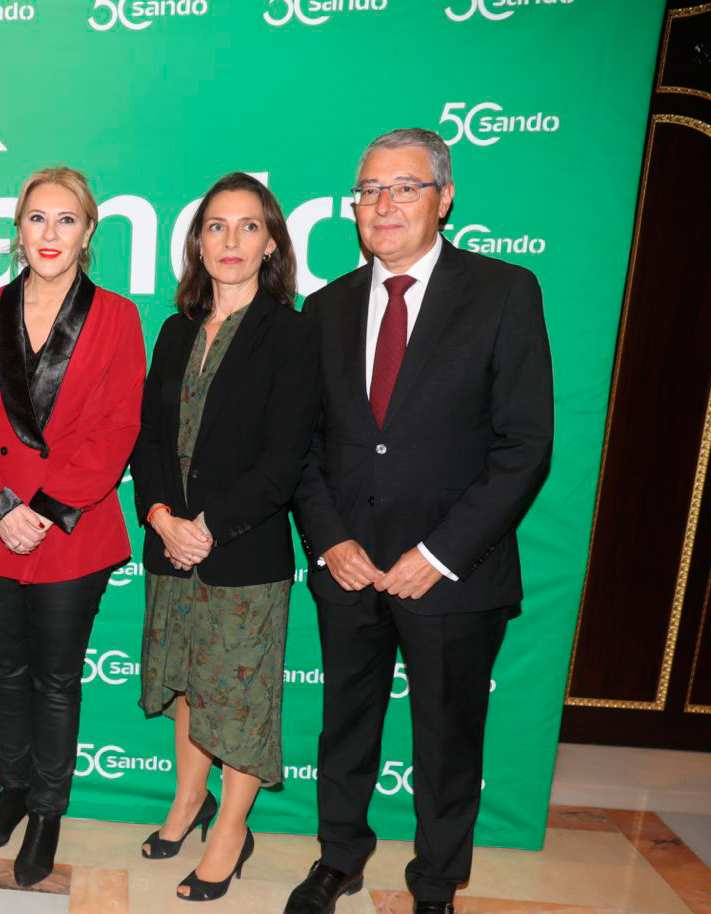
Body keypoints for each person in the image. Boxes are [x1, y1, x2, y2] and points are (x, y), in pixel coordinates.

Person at [286, 128, 553, 914]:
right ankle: (340, 857)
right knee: (345, 730)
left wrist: (437, 555)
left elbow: (525, 446)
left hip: (453, 576)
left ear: (445, 196)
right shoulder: (325, 306)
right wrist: (331, 538)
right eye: (369, 190)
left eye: (404, 187)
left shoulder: (504, 293)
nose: (384, 204)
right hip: (349, 569)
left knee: (446, 745)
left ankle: (435, 883)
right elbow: (301, 446)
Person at [0, 166, 145, 887]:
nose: (49, 234)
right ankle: (12, 793)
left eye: (66, 220)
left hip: (71, 530)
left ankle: (49, 810)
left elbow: (118, 427)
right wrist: (0, 509)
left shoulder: (117, 317)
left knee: (57, 680)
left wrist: (47, 511)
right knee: (5, 671)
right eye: (36, 219)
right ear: (17, 230)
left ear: (88, 233)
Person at [129, 173, 320, 902]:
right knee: (187, 683)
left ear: (270, 241)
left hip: (242, 553)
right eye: (216, 227)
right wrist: (159, 519)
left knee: (237, 699)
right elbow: (148, 440)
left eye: (247, 227)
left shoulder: (294, 333)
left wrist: (205, 528)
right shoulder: (176, 330)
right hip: (169, 546)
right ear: (197, 242)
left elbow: (285, 457)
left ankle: (232, 832)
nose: (230, 242)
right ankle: (187, 801)